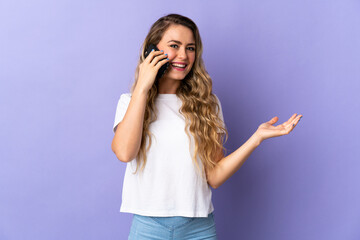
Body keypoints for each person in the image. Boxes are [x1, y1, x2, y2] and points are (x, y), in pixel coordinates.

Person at [111, 13, 302, 240]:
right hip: (148, 228)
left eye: (190, 48)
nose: (183, 55)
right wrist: (143, 87)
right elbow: (124, 152)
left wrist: (256, 138)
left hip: (198, 229)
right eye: (174, 45)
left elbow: (214, 176)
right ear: (152, 51)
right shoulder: (130, 102)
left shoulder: (207, 105)